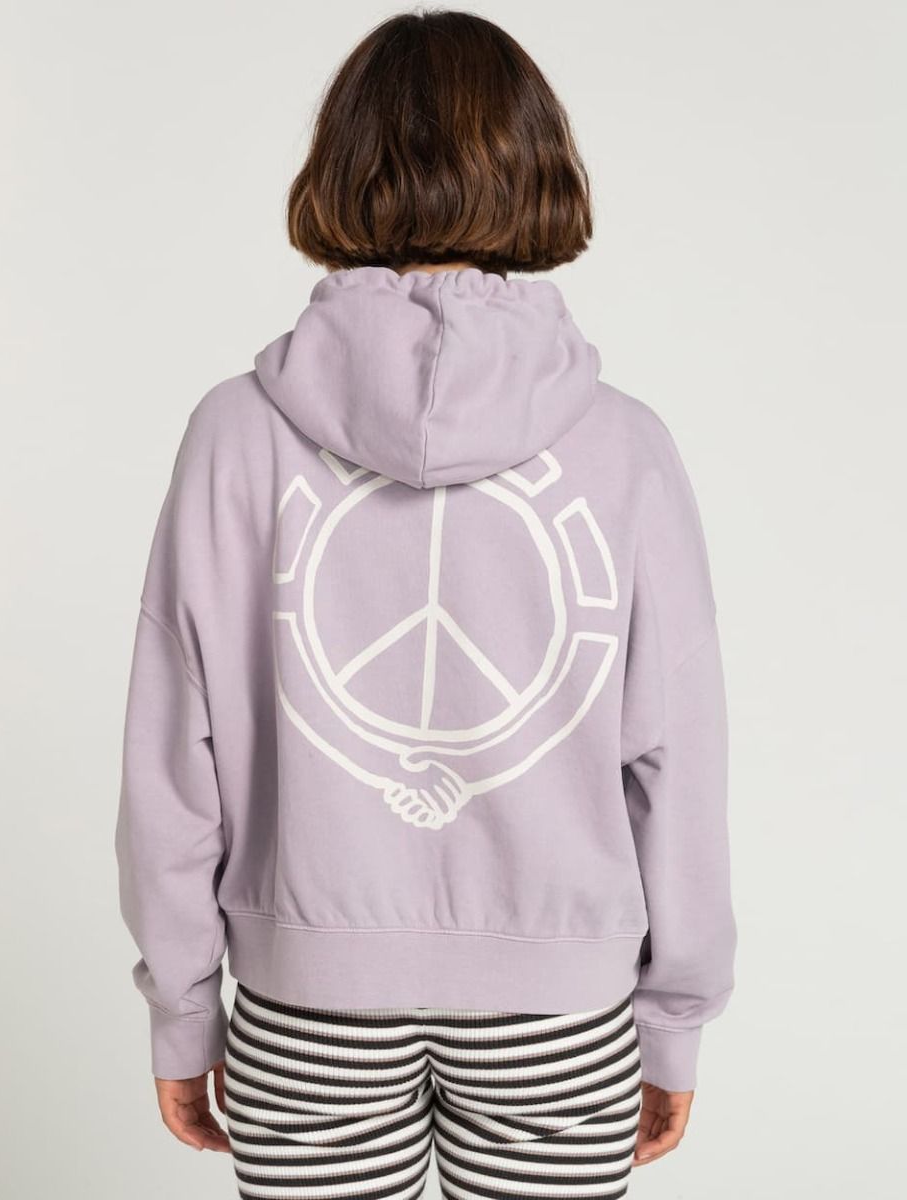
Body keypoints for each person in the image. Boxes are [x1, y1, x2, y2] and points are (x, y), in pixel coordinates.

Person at [114, 9, 737, 1197]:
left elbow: (171, 759)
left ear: (338, 168)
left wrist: (184, 1007)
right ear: (537, 165)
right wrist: (674, 1016)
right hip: (561, 1008)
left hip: (308, 1002)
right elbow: (679, 758)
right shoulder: (626, 449)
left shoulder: (234, 436)